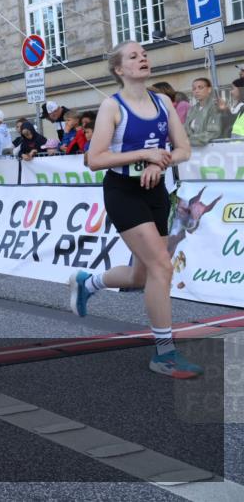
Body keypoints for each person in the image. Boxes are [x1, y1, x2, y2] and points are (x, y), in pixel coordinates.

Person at [69, 41, 200, 378]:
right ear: (119, 69)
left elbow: (184, 149)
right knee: (162, 266)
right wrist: (144, 154)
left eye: (144, 54)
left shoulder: (163, 102)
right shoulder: (112, 106)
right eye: (133, 56)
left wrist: (160, 161)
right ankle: (165, 353)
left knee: (142, 276)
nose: (142, 58)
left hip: (155, 191)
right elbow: (94, 159)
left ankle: (88, 282)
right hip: (123, 191)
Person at [184, 77, 224, 146]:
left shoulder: (215, 107)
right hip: (192, 149)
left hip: (212, 148)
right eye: (194, 89)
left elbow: (213, 133)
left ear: (209, 89)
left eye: (200, 88)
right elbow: (186, 129)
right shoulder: (192, 109)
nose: (196, 91)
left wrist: (187, 141)